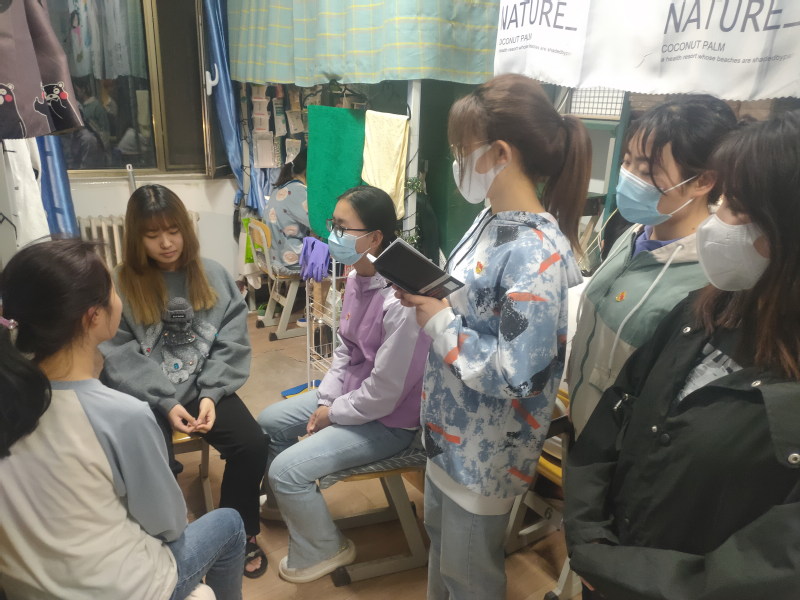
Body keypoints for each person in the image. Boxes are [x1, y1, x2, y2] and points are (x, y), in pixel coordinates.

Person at [564, 110, 800, 600]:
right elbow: (616, 414)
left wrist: (623, 574)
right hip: (607, 565)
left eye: (735, 207)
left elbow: (774, 565)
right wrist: (591, 541)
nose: (716, 221)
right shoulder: (705, 311)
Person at [396, 73, 589, 599]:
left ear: (500, 152)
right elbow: (471, 301)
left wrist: (439, 322)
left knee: (469, 576)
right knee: (444, 558)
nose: (458, 161)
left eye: (463, 150)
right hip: (448, 433)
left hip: (485, 452)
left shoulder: (534, 252)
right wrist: (431, 298)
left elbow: (516, 371)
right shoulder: (491, 220)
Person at [0, 239, 245, 600]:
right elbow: (167, 524)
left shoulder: (13, 397)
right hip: (123, 589)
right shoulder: (122, 415)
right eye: (113, 291)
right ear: (93, 316)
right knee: (230, 523)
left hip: (26, 586)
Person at [257, 185, 432, 583]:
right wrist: (327, 399)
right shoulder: (357, 278)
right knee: (269, 422)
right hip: (352, 397)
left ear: (375, 238)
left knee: (285, 471)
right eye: (332, 224)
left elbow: (385, 394)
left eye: (342, 227)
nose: (332, 236)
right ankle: (290, 508)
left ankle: (324, 547)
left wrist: (333, 414)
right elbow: (345, 349)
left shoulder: (401, 301)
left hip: (389, 421)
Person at [99, 185, 269, 579]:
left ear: (186, 229)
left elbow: (232, 341)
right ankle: (168, 536)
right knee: (151, 458)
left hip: (202, 387)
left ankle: (239, 531)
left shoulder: (213, 274)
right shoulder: (120, 282)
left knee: (252, 444)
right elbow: (118, 354)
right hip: (144, 396)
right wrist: (165, 401)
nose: (166, 243)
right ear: (136, 237)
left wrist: (211, 393)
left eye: (173, 230)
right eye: (152, 234)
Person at [567, 96, 738, 437]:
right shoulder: (632, 232)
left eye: (646, 171)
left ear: (703, 181)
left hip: (621, 449)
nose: (629, 177)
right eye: (627, 161)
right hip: (581, 426)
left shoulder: (709, 277)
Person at [265, 147, 310, 274]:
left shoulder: (281, 187)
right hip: (289, 261)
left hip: (275, 257)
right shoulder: (298, 191)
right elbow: (318, 224)